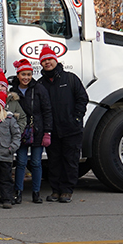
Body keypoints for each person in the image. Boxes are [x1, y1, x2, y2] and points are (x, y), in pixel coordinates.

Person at [38, 45, 88, 203]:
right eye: (44, 60)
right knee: (54, 162)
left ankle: (67, 191)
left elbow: (82, 98)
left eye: (49, 59)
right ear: (41, 63)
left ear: (55, 60)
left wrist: (77, 118)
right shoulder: (40, 84)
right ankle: (55, 190)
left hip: (71, 129)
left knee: (70, 161)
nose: (47, 63)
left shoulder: (70, 79)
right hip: (52, 130)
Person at [8, 58, 52, 205]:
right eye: (23, 74)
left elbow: (47, 110)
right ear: (18, 75)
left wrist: (47, 132)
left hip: (37, 130)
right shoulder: (12, 91)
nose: (26, 77)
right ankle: (18, 192)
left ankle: (36, 192)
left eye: (29, 74)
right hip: (20, 131)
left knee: (36, 162)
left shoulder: (39, 89)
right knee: (20, 162)